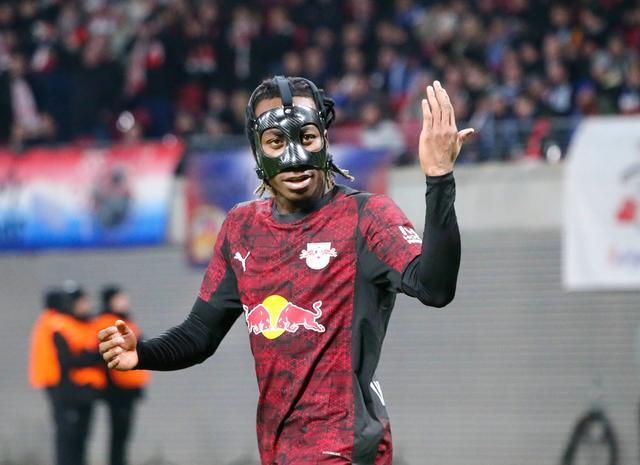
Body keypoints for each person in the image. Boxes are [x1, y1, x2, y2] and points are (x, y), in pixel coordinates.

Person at [98, 76, 473, 465]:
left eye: (306, 137)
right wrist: (143, 352)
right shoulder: (241, 228)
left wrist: (439, 179)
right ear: (256, 148)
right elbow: (200, 334)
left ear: (324, 138)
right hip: (280, 451)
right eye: (276, 141)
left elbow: (435, 287)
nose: (294, 156)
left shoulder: (367, 217)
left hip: (346, 449)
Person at [93, 285, 150, 465]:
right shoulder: (107, 323)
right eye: (120, 298)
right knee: (118, 434)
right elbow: (104, 355)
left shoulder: (125, 321)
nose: (125, 302)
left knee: (123, 435)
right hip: (117, 388)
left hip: (129, 387)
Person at [52, 284, 106, 465]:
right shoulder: (63, 327)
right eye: (81, 302)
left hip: (88, 391)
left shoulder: (89, 325)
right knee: (69, 439)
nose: (86, 305)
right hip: (71, 391)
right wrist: (93, 355)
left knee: (83, 438)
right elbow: (68, 361)